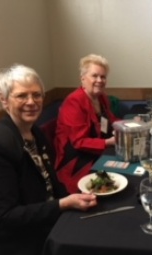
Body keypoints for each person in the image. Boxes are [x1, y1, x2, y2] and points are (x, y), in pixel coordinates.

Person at [0, 64, 97, 255]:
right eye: (21, 96)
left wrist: (74, 197)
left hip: (44, 224)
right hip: (17, 246)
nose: (32, 102)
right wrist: (63, 204)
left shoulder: (35, 133)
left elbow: (51, 184)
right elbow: (5, 217)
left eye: (37, 95)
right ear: (3, 100)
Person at [55, 54, 120, 193]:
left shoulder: (101, 97)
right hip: (77, 162)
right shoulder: (74, 102)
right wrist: (108, 142)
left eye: (103, 77)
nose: (99, 80)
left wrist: (129, 124)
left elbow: (111, 120)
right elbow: (78, 142)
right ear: (83, 78)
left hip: (99, 154)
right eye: (94, 76)